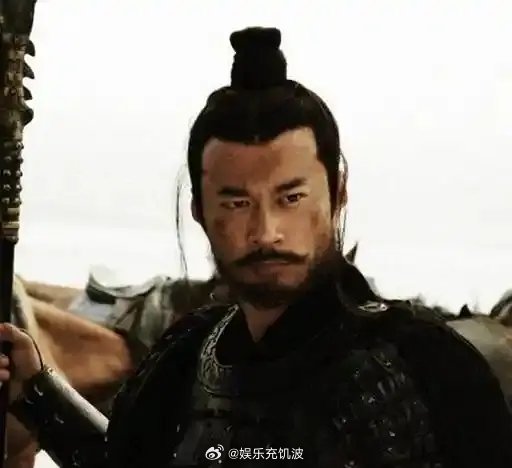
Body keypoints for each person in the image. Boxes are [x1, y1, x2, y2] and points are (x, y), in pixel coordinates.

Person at [0, 26, 511, 468]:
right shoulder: (184, 360)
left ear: (337, 193)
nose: (266, 231)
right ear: (200, 209)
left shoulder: (426, 366)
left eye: (291, 198)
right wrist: (36, 390)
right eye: (237, 202)